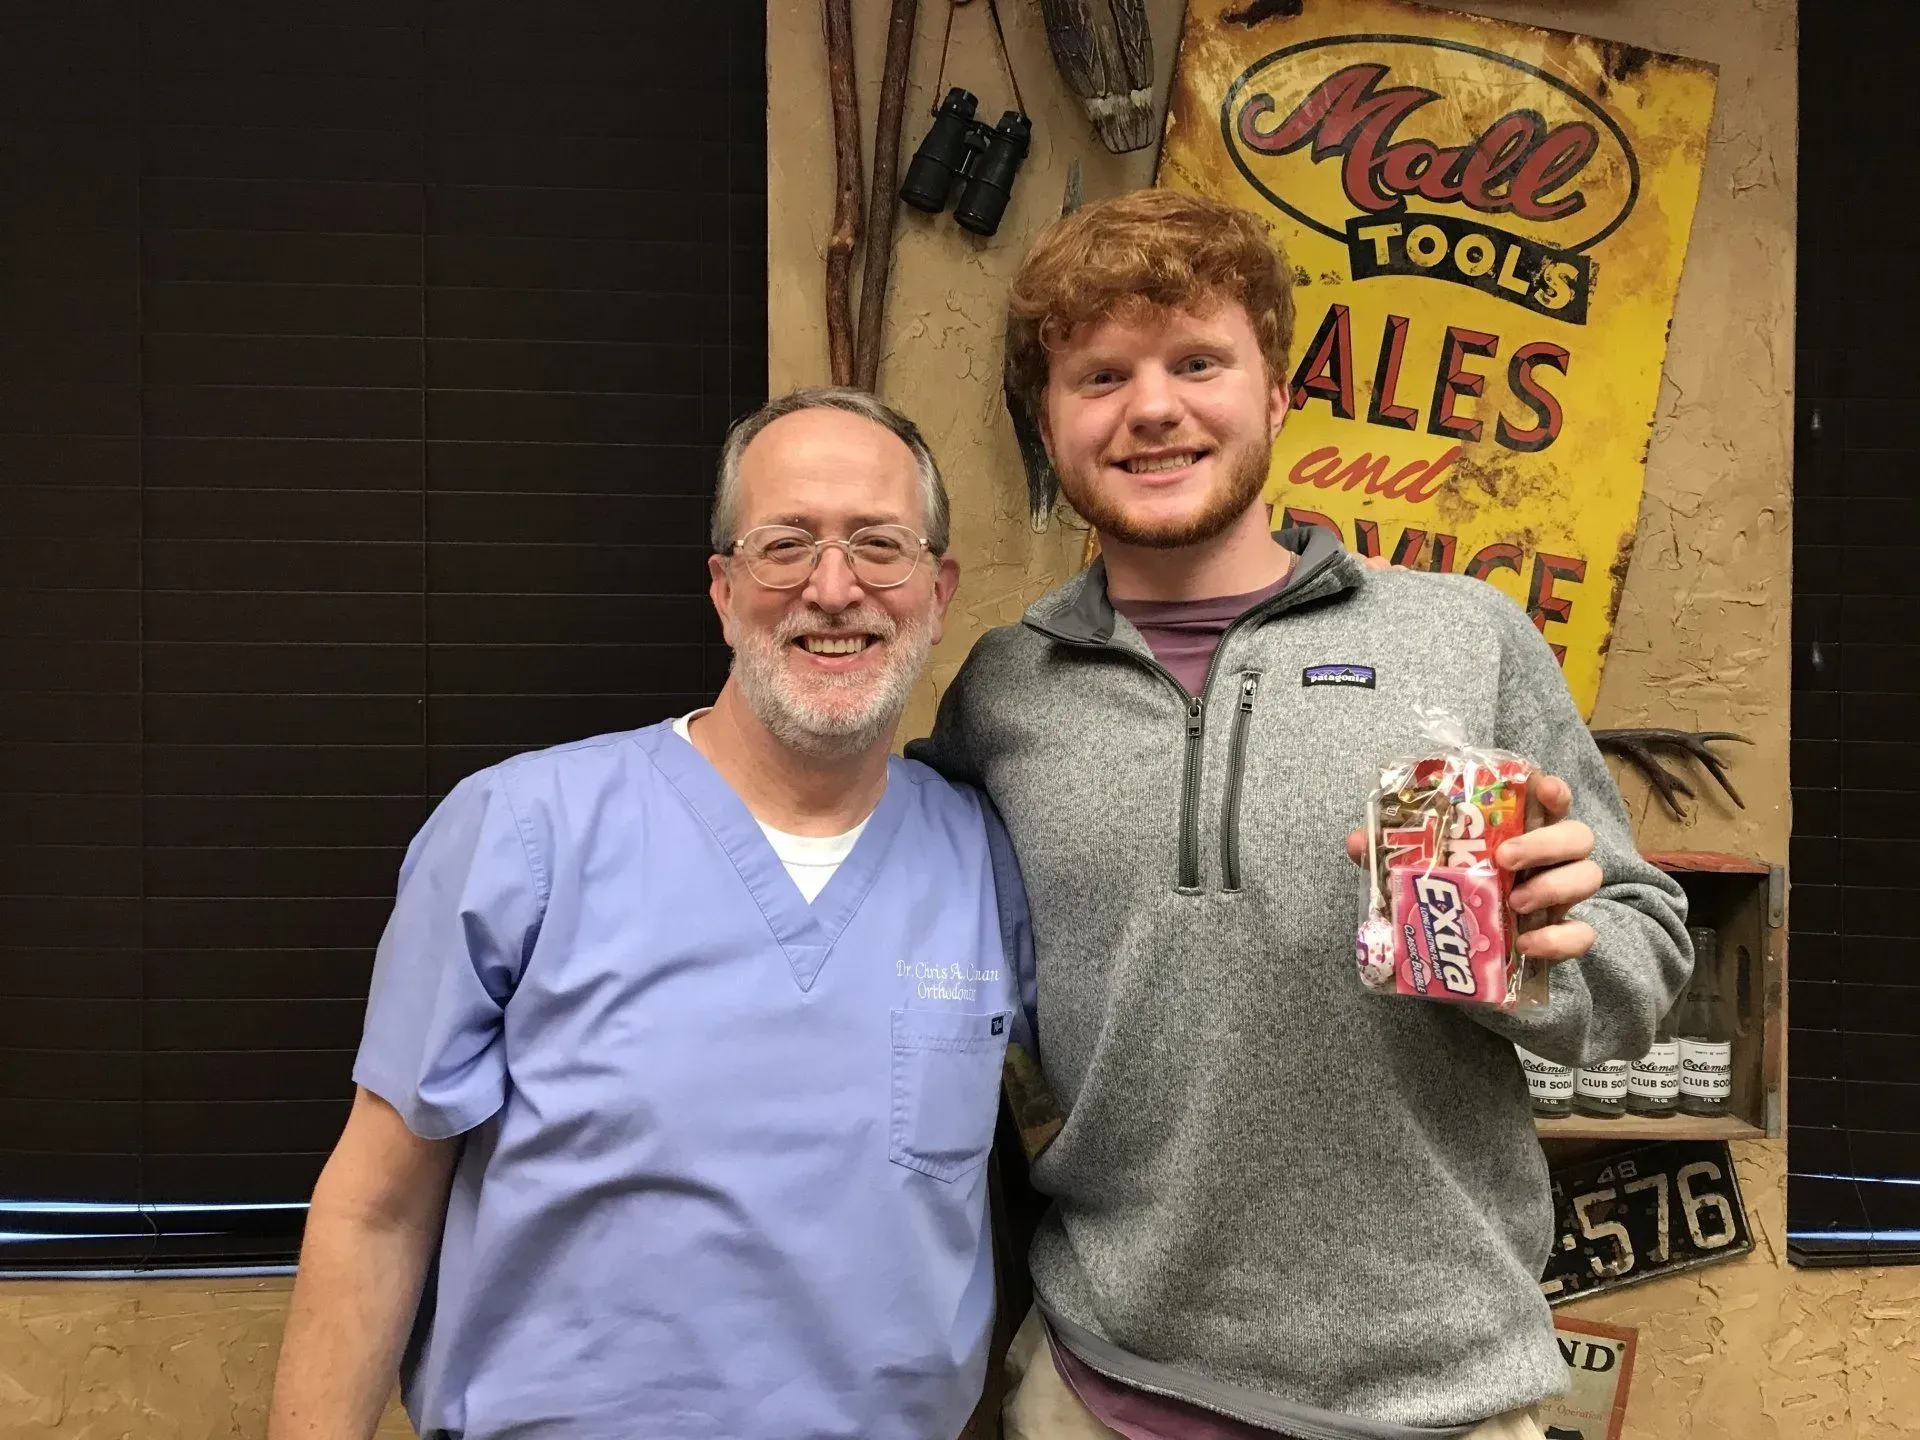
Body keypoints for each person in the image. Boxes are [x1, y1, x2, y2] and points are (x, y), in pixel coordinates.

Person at [912, 189, 1692, 1440]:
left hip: (1442, 1397)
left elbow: (1644, 957)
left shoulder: (1463, 636)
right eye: (1099, 375)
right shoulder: (1006, 689)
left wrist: (1547, 959)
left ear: (1277, 393)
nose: (1152, 407)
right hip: (1101, 1383)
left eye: (1197, 361)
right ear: (1047, 423)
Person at [269, 387, 1035, 1440]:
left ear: (939, 591)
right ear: (722, 589)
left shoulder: (979, 856)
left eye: (879, 544)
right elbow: (376, 1209)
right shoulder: (522, 832)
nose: (833, 586)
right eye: (784, 544)